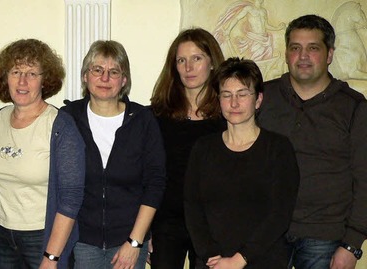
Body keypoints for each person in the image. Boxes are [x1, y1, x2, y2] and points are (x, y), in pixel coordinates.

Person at [257, 14, 367, 269]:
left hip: (325, 236)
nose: (303, 56)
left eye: (313, 48)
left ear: (329, 54)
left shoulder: (353, 107)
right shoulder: (263, 98)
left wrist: (352, 243)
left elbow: (365, 179)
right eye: (295, 48)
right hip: (266, 231)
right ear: (286, 54)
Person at [184, 57, 300, 269]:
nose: (234, 103)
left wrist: (239, 260)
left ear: (258, 100)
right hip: (211, 262)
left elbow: (279, 215)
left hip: (262, 260)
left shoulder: (278, 149)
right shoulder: (203, 148)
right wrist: (211, 256)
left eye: (242, 94)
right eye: (226, 95)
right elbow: (192, 208)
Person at [61, 40, 166, 269]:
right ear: (85, 76)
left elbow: (155, 183)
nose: (105, 78)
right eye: (97, 70)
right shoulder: (68, 119)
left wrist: (135, 241)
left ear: (124, 80)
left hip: (128, 241)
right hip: (82, 242)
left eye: (114, 72)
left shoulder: (143, 121)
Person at [0, 38, 85, 269]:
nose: (22, 81)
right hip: (1, 236)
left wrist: (51, 258)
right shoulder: (0, 118)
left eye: (32, 74)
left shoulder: (60, 126)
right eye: (16, 71)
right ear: (4, 76)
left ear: (44, 80)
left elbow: (71, 199)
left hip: (42, 239)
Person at [149, 27, 226, 269]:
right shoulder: (156, 115)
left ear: (212, 63)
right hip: (166, 222)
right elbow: (148, 173)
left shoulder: (228, 115)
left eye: (197, 58)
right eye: (181, 60)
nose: (188, 67)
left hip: (212, 224)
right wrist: (145, 229)